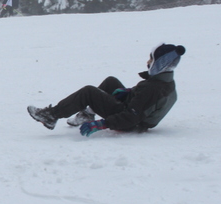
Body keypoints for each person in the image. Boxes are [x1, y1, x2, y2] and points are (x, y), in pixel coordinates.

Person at [27, 43, 186, 137]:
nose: (148, 61)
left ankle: (51, 116)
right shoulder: (164, 82)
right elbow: (145, 102)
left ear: (160, 64)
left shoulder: (153, 88)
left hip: (130, 123)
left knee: (89, 92)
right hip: (133, 112)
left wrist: (102, 124)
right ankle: (87, 115)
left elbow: (132, 116)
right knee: (111, 81)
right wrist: (129, 92)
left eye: (152, 59)